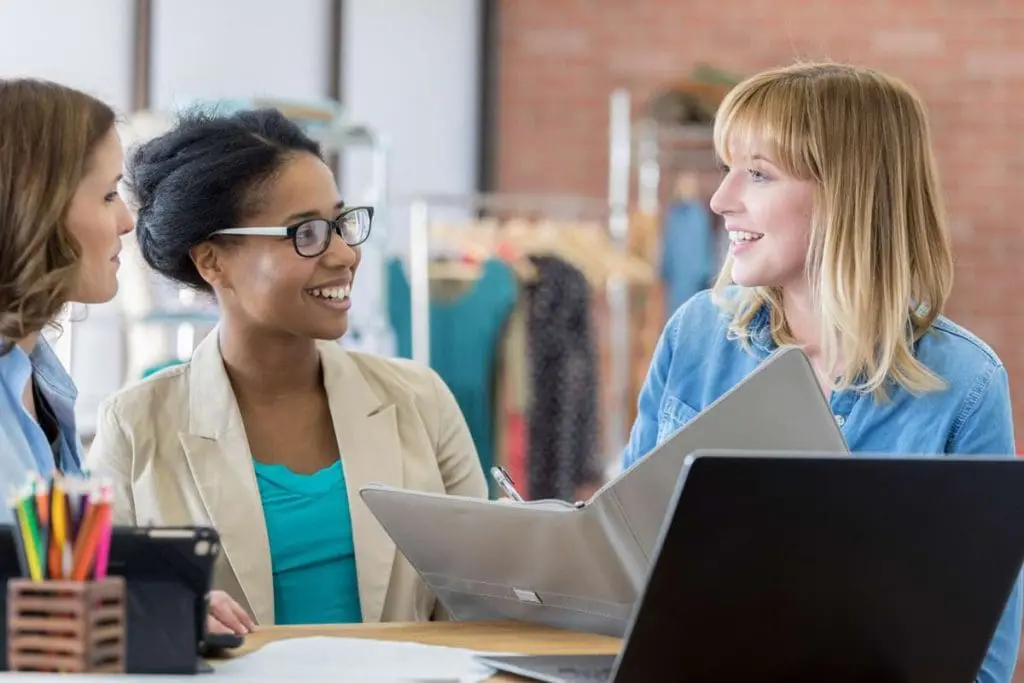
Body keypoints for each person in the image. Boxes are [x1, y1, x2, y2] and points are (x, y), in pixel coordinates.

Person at [622, 62, 1020, 683]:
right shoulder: (695, 336)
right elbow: (622, 565)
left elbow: (980, 662)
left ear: (848, 192)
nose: (720, 199)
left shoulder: (966, 386)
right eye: (728, 169)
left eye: (757, 173)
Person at [86, 108, 488, 630]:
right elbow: (104, 619)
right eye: (307, 233)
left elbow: (483, 610)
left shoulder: (420, 402)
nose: (345, 254)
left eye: (341, 224)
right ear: (212, 261)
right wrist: (166, 617)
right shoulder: (136, 427)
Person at [0, 78, 251, 637]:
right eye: (109, 194)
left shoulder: (40, 375)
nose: (127, 221)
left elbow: (48, 574)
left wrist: (146, 597)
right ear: (35, 203)